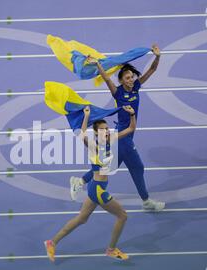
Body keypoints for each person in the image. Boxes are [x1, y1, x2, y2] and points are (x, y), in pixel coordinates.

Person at [70, 45, 165, 212]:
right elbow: (107, 78)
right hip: (123, 136)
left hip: (127, 135)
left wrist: (157, 56)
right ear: (121, 80)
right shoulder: (118, 93)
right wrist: (98, 64)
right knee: (137, 167)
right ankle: (146, 201)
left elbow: (152, 70)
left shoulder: (136, 87)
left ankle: (80, 181)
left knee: (109, 167)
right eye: (127, 78)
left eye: (132, 76)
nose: (131, 79)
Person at [44, 105, 137, 262]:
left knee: (81, 219)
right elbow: (81, 135)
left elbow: (131, 129)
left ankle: (51, 242)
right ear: (96, 133)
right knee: (122, 216)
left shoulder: (111, 139)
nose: (106, 131)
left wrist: (132, 114)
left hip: (96, 187)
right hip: (98, 190)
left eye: (107, 128)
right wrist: (86, 116)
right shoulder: (94, 146)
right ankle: (111, 250)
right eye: (102, 130)